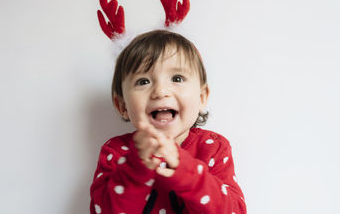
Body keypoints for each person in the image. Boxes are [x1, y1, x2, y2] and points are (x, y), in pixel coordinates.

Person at [89, 29, 246, 213]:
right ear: (122, 105)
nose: (161, 91)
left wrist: (189, 174)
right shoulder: (115, 151)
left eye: (177, 78)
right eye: (143, 81)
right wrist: (135, 169)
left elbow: (235, 210)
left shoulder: (213, 147)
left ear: (202, 97)